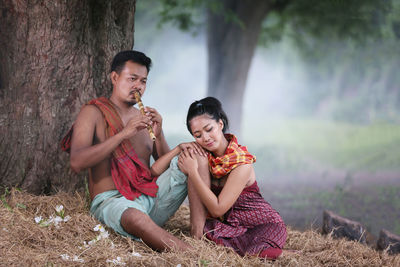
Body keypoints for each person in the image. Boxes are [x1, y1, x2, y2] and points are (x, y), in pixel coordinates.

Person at [61, 50, 204, 251]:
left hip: (149, 197)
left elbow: (168, 166)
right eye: (132, 79)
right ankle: (192, 255)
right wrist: (122, 134)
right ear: (114, 77)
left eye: (143, 81)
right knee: (135, 217)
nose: (138, 86)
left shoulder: (143, 117)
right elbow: (77, 162)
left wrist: (159, 133)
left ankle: (198, 235)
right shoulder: (93, 112)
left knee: (190, 156)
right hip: (113, 202)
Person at [178, 97, 287, 259]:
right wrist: (160, 137)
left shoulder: (242, 162)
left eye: (209, 129)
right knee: (206, 233)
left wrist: (193, 173)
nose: (206, 138)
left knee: (254, 254)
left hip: (262, 224)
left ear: (220, 124)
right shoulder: (204, 158)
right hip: (231, 225)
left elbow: (217, 209)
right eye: (198, 134)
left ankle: (292, 256)